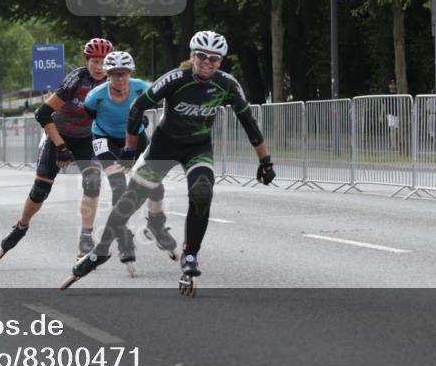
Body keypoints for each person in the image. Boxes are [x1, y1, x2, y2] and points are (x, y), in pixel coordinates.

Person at [61, 31, 276, 297]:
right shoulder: (175, 79)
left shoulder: (227, 84)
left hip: (197, 148)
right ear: (192, 55)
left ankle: (190, 255)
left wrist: (265, 161)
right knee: (130, 201)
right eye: (202, 56)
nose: (207, 62)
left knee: (202, 192)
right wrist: (129, 148)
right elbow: (137, 108)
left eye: (214, 58)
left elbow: (248, 121)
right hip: (164, 147)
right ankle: (100, 252)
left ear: (220, 61)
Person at [0, 38, 113, 263]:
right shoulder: (76, 80)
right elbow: (42, 114)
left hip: (87, 137)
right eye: (95, 62)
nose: (99, 67)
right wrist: (61, 147)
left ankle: (86, 237)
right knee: (41, 190)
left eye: (104, 62)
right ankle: (21, 227)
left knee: (93, 182)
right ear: (86, 61)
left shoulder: (113, 83)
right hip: (59, 133)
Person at [82, 51, 170, 276]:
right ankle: (123, 239)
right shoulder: (95, 96)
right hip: (105, 139)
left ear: (130, 73)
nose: (119, 78)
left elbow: (168, 95)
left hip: (135, 136)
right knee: (119, 187)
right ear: (107, 75)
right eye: (114, 74)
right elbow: (91, 115)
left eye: (124, 74)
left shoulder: (141, 87)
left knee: (154, 185)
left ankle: (155, 222)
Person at [378, 79, 400, 151]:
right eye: (391, 84)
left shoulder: (399, 93)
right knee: (392, 129)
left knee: (396, 131)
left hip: (398, 114)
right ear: (389, 85)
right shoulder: (386, 95)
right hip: (390, 114)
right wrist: (381, 115)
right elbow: (383, 106)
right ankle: (394, 146)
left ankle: (396, 144)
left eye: (393, 83)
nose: (392, 85)